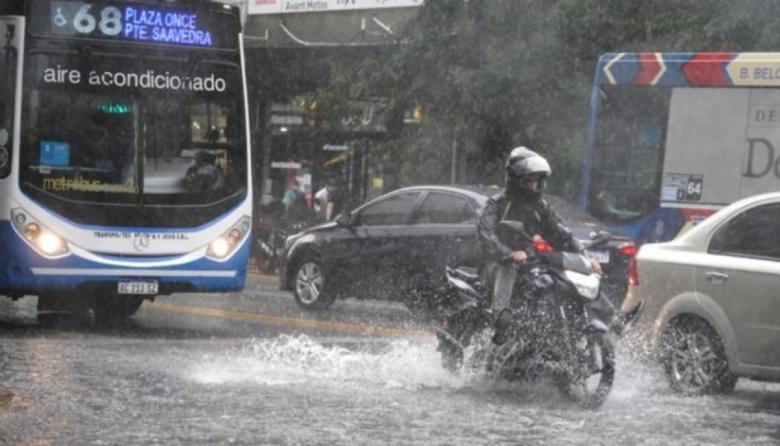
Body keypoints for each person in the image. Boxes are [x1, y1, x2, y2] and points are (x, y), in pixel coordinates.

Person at [476, 146, 601, 343]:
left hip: (529, 265)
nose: (535, 186)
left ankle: (610, 319)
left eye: (538, 181)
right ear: (516, 180)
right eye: (530, 181)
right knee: (508, 267)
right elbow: (486, 235)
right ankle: (501, 321)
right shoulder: (497, 204)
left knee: (560, 275)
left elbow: (560, 234)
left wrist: (585, 255)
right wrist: (509, 254)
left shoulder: (539, 207)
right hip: (495, 265)